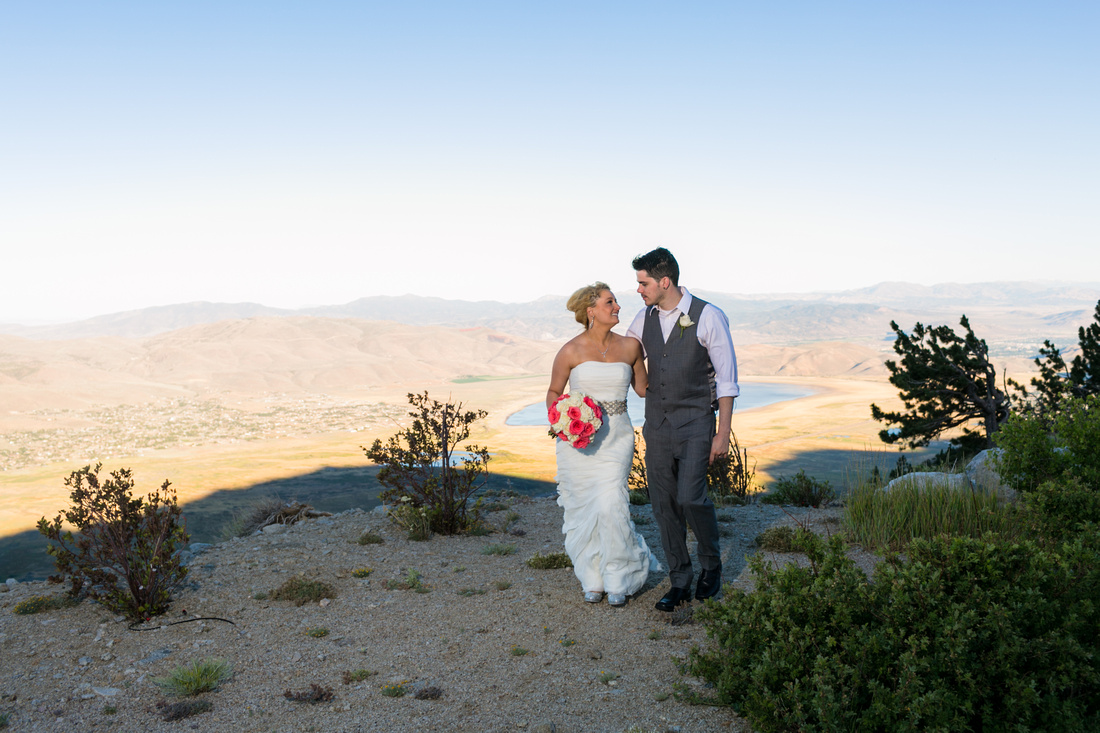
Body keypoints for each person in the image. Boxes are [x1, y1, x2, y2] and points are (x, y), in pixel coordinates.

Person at [626, 248, 739, 612]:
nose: (638, 290)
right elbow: (623, 352)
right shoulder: (642, 319)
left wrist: (722, 433)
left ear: (664, 281)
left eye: (643, 283)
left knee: (691, 498)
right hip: (656, 426)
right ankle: (679, 580)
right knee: (664, 505)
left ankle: (711, 564)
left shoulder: (708, 316)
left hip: (695, 423)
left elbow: (726, 379)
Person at [546, 282, 660, 606]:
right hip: (578, 443)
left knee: (612, 505)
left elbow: (644, 389)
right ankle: (592, 577)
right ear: (591, 311)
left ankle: (619, 577)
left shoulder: (630, 347)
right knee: (584, 509)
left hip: (617, 438)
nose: (617, 307)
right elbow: (553, 393)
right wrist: (564, 421)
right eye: (610, 302)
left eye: (616, 302)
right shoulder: (570, 350)